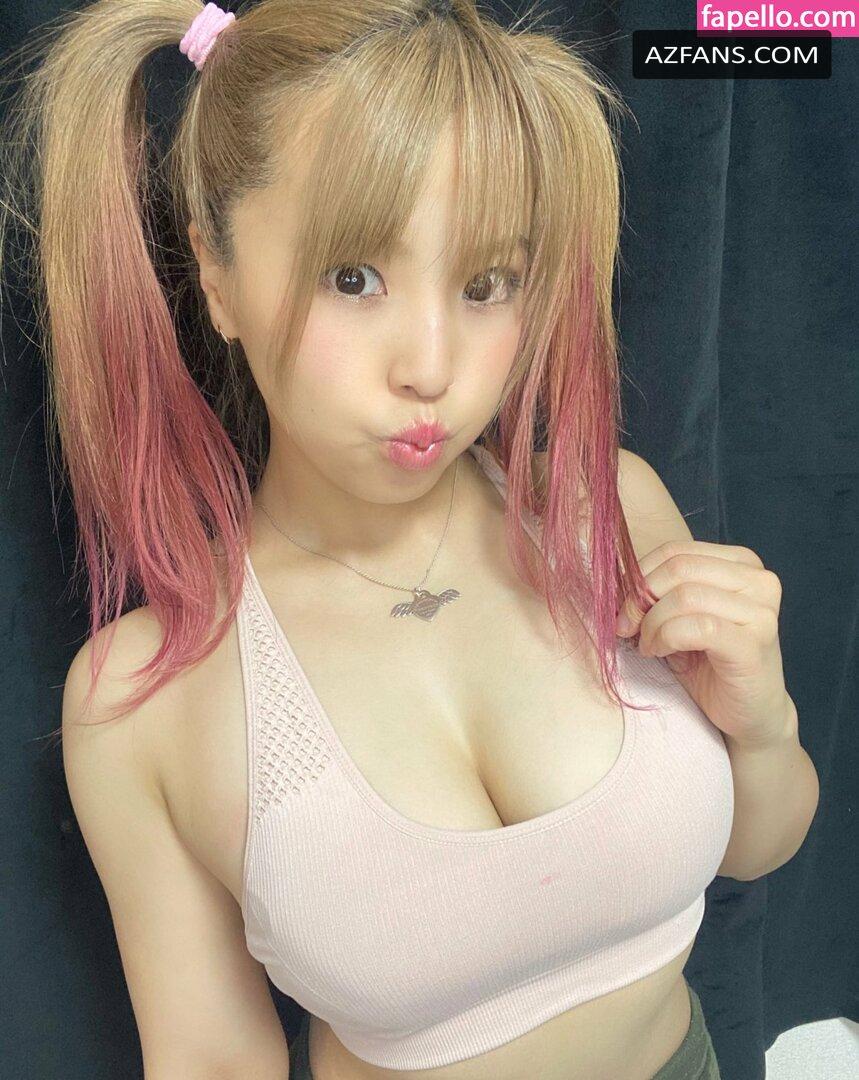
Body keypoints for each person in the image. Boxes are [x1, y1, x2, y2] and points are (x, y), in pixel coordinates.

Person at [1, 2, 744, 1077]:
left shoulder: (607, 512)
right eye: (353, 277)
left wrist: (763, 721)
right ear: (215, 273)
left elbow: (760, 841)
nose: (431, 367)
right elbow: (211, 1059)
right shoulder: (146, 700)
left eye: (486, 284)